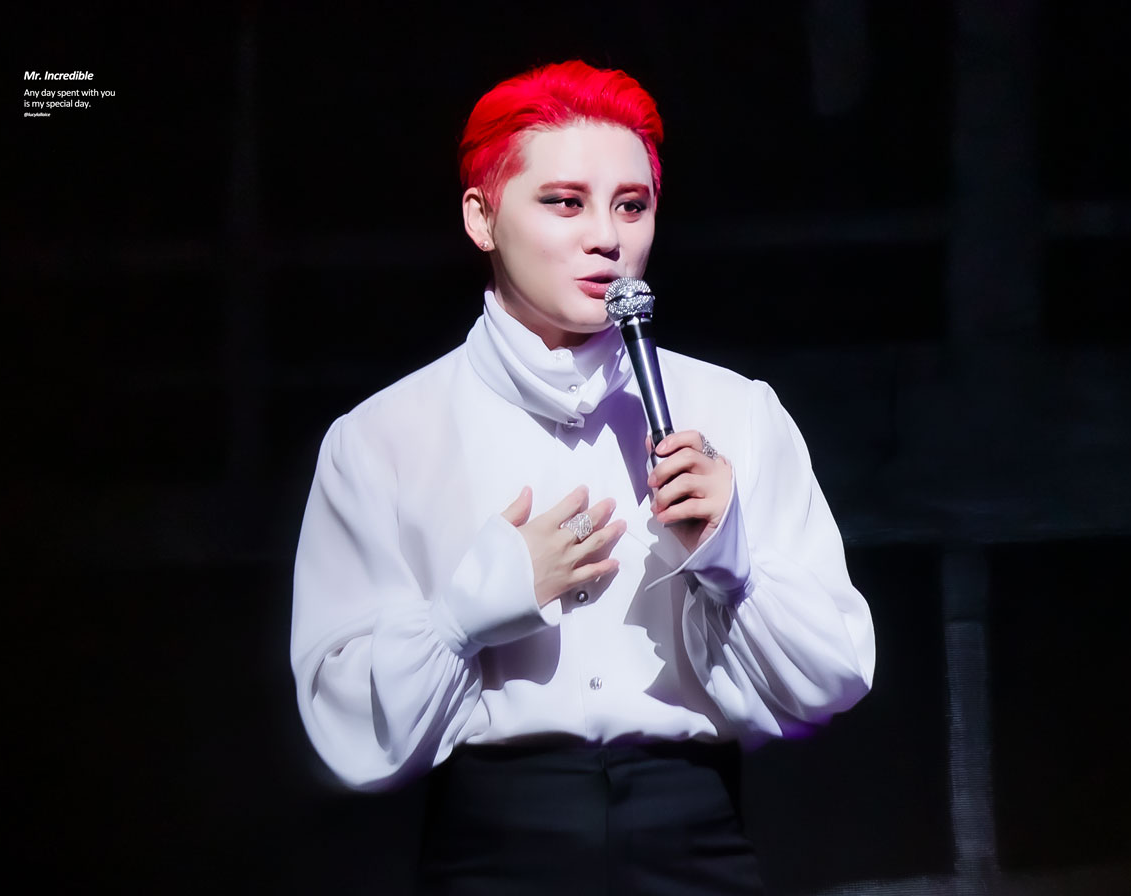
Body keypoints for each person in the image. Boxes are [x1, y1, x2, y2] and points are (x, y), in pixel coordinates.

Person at [290, 60, 875, 895]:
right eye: (565, 203)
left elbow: (832, 679)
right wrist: (463, 615)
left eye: (631, 205)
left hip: (692, 830)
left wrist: (732, 560)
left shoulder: (734, 410)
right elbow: (343, 723)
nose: (607, 236)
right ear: (482, 218)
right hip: (496, 840)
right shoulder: (383, 436)